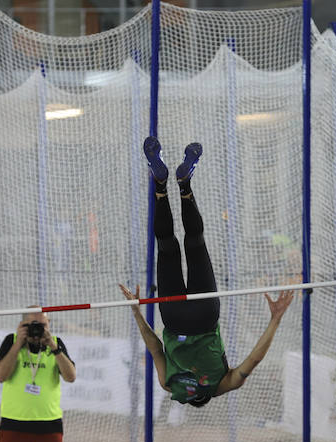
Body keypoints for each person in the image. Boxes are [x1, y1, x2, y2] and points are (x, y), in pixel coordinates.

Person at [119, 137, 294, 406]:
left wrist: (275, 319)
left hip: (204, 315)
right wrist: (136, 311)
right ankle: (160, 186)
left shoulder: (221, 386)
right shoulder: (169, 385)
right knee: (167, 247)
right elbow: (154, 347)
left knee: (195, 241)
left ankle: (184, 185)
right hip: (174, 317)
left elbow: (255, 359)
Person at [0, 311, 76, 442]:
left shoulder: (56, 343)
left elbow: (71, 377)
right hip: (13, 424)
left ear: (49, 325)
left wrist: (53, 346)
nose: (37, 330)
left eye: (42, 325)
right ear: (22, 325)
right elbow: (0, 376)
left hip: (49, 425)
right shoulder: (11, 341)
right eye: (32, 325)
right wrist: (19, 343)